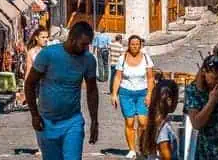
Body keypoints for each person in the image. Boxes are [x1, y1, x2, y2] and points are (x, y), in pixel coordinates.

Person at [24, 21, 99, 160]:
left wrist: (94, 120)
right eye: (83, 44)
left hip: (73, 121)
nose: (86, 48)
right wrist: (34, 115)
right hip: (47, 122)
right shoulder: (48, 55)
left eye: (88, 44)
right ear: (72, 38)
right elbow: (29, 84)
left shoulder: (88, 60)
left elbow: (92, 91)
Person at [111, 35, 154, 159]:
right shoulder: (122, 58)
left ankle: (141, 147)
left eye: (137, 44)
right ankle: (132, 149)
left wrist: (150, 94)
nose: (134, 46)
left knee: (143, 122)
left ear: (140, 45)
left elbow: (150, 78)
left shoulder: (146, 58)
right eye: (132, 44)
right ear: (128, 45)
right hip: (126, 93)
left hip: (142, 93)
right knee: (129, 122)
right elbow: (118, 77)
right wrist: (114, 94)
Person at [139, 79, 180, 160]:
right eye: (177, 98)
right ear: (169, 101)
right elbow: (166, 157)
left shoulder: (152, 121)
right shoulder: (164, 129)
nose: (177, 102)